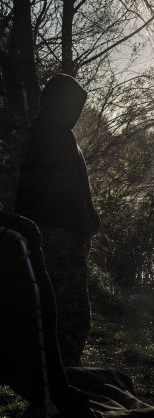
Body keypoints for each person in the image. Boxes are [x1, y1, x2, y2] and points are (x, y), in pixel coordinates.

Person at [15, 73, 100, 367]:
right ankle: (64, 377)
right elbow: (64, 193)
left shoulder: (46, 132)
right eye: (74, 107)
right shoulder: (52, 135)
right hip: (58, 240)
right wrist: (83, 227)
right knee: (71, 315)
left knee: (63, 312)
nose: (77, 115)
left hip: (58, 237)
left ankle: (58, 375)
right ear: (59, 104)